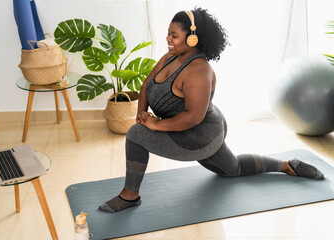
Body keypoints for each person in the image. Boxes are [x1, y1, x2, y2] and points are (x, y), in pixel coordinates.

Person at [99, 7, 324, 213]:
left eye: (174, 35)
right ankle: (287, 166)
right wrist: (142, 114)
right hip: (191, 127)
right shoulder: (170, 57)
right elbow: (147, 84)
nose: (168, 39)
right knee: (232, 168)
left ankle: (130, 196)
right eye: (168, 33)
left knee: (136, 135)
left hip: (200, 135)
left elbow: (193, 117)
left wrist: (155, 124)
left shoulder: (199, 71)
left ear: (193, 37)